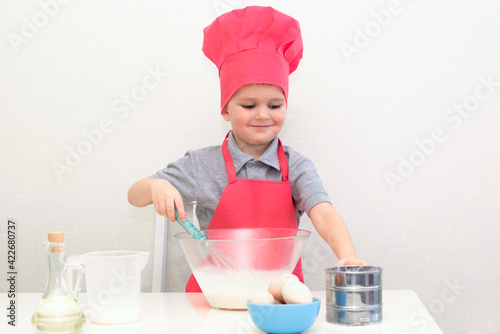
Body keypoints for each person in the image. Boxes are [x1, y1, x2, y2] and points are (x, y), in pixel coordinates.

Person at [128, 6, 368, 292]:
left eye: (275, 105)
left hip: (278, 299)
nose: (263, 115)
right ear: (226, 110)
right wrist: (156, 188)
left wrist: (347, 254)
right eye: (249, 105)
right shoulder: (201, 165)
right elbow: (135, 195)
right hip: (216, 298)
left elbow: (324, 213)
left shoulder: (297, 167)